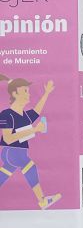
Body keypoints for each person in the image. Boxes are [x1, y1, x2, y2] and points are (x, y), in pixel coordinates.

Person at [0, 74, 59, 209]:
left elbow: (36, 111)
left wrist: (46, 93)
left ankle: (42, 201)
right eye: (25, 91)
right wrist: (34, 130)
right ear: (15, 93)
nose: (28, 94)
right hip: (12, 152)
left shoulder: (24, 115)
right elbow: (8, 138)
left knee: (4, 173)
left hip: (17, 152)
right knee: (30, 167)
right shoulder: (6, 114)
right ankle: (42, 201)